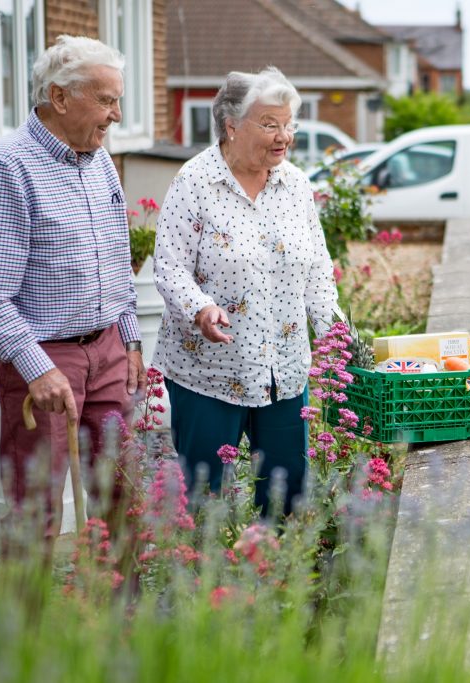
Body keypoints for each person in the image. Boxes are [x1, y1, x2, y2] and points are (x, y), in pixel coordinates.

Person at [0, 36, 146, 540]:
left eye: (118, 100)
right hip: (43, 359)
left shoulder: (100, 160)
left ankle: (121, 617)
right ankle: (27, 621)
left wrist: (128, 338)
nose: (115, 114)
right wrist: (38, 370)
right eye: (106, 100)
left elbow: (114, 258)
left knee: (122, 498)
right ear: (61, 97)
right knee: (36, 513)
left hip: (106, 349)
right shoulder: (6, 169)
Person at [152, 66, 342, 516]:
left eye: (288, 123)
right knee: (204, 498)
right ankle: (205, 583)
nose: (284, 136)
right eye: (270, 124)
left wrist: (336, 332)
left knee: (285, 496)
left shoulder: (295, 185)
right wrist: (200, 308)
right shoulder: (194, 182)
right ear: (232, 125)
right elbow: (169, 265)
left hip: (285, 370)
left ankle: (274, 581)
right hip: (210, 371)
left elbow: (317, 267)